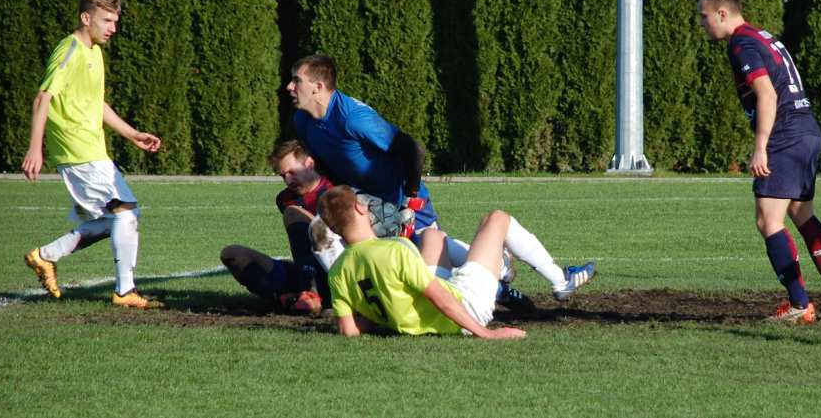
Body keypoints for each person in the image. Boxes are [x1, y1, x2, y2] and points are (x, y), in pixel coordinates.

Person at [286, 54, 569, 310]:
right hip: (365, 200)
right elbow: (325, 160)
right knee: (324, 231)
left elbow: (412, 149)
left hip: (402, 198)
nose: (289, 87)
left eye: (296, 80)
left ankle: (501, 275)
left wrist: (410, 197)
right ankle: (343, 298)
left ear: (318, 87)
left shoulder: (354, 118)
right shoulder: (302, 121)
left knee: (429, 257)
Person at [696, 0, 821, 323]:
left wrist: (760, 147)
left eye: (704, 16)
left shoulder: (742, 44)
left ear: (722, 13)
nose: (702, 23)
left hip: (785, 134)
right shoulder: (763, 36)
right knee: (803, 215)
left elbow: (767, 94)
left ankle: (799, 305)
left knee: (768, 220)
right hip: (807, 130)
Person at [21, 0, 162, 309]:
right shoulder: (68, 50)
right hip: (78, 151)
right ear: (86, 18)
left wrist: (132, 134)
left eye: (115, 20)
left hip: (91, 150)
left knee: (118, 218)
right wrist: (35, 148)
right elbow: (44, 97)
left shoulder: (94, 52)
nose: (113, 27)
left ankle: (45, 256)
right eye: (106, 20)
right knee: (126, 213)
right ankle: (125, 292)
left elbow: (95, 103)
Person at [318, 185, 595, 338]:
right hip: (466, 306)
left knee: (432, 236)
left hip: (422, 313)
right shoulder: (395, 249)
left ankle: (500, 270)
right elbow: (443, 300)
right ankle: (560, 280)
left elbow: (349, 331)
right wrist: (487, 334)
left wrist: (387, 316)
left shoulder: (338, 271)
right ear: (358, 208)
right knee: (496, 219)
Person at [220, 140, 332, 314]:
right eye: (283, 175)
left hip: (334, 273)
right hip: (304, 270)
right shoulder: (284, 199)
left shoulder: (336, 192)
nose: (288, 180)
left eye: (292, 172)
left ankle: (313, 295)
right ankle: (286, 297)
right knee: (232, 255)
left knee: (293, 214)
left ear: (309, 164)